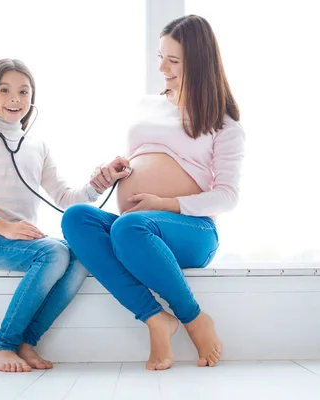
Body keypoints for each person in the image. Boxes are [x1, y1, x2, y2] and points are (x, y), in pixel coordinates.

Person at [61, 15, 245, 370]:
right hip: (137, 228)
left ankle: (193, 319)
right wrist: (116, 171)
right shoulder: (149, 104)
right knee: (77, 218)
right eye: (160, 56)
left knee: (129, 227)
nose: (162, 67)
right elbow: (143, 160)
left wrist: (164, 203)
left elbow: (227, 195)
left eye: (173, 60)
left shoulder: (224, 124)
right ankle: (154, 317)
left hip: (192, 232)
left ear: (200, 62)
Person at [0, 58, 130, 372]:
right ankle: (2, 347)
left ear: (32, 99)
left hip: (22, 241)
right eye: (4, 90)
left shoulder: (37, 146)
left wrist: (100, 181)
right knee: (53, 253)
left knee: (81, 253)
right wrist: (3, 226)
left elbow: (66, 197)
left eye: (23, 91)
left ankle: (26, 342)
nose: (14, 98)